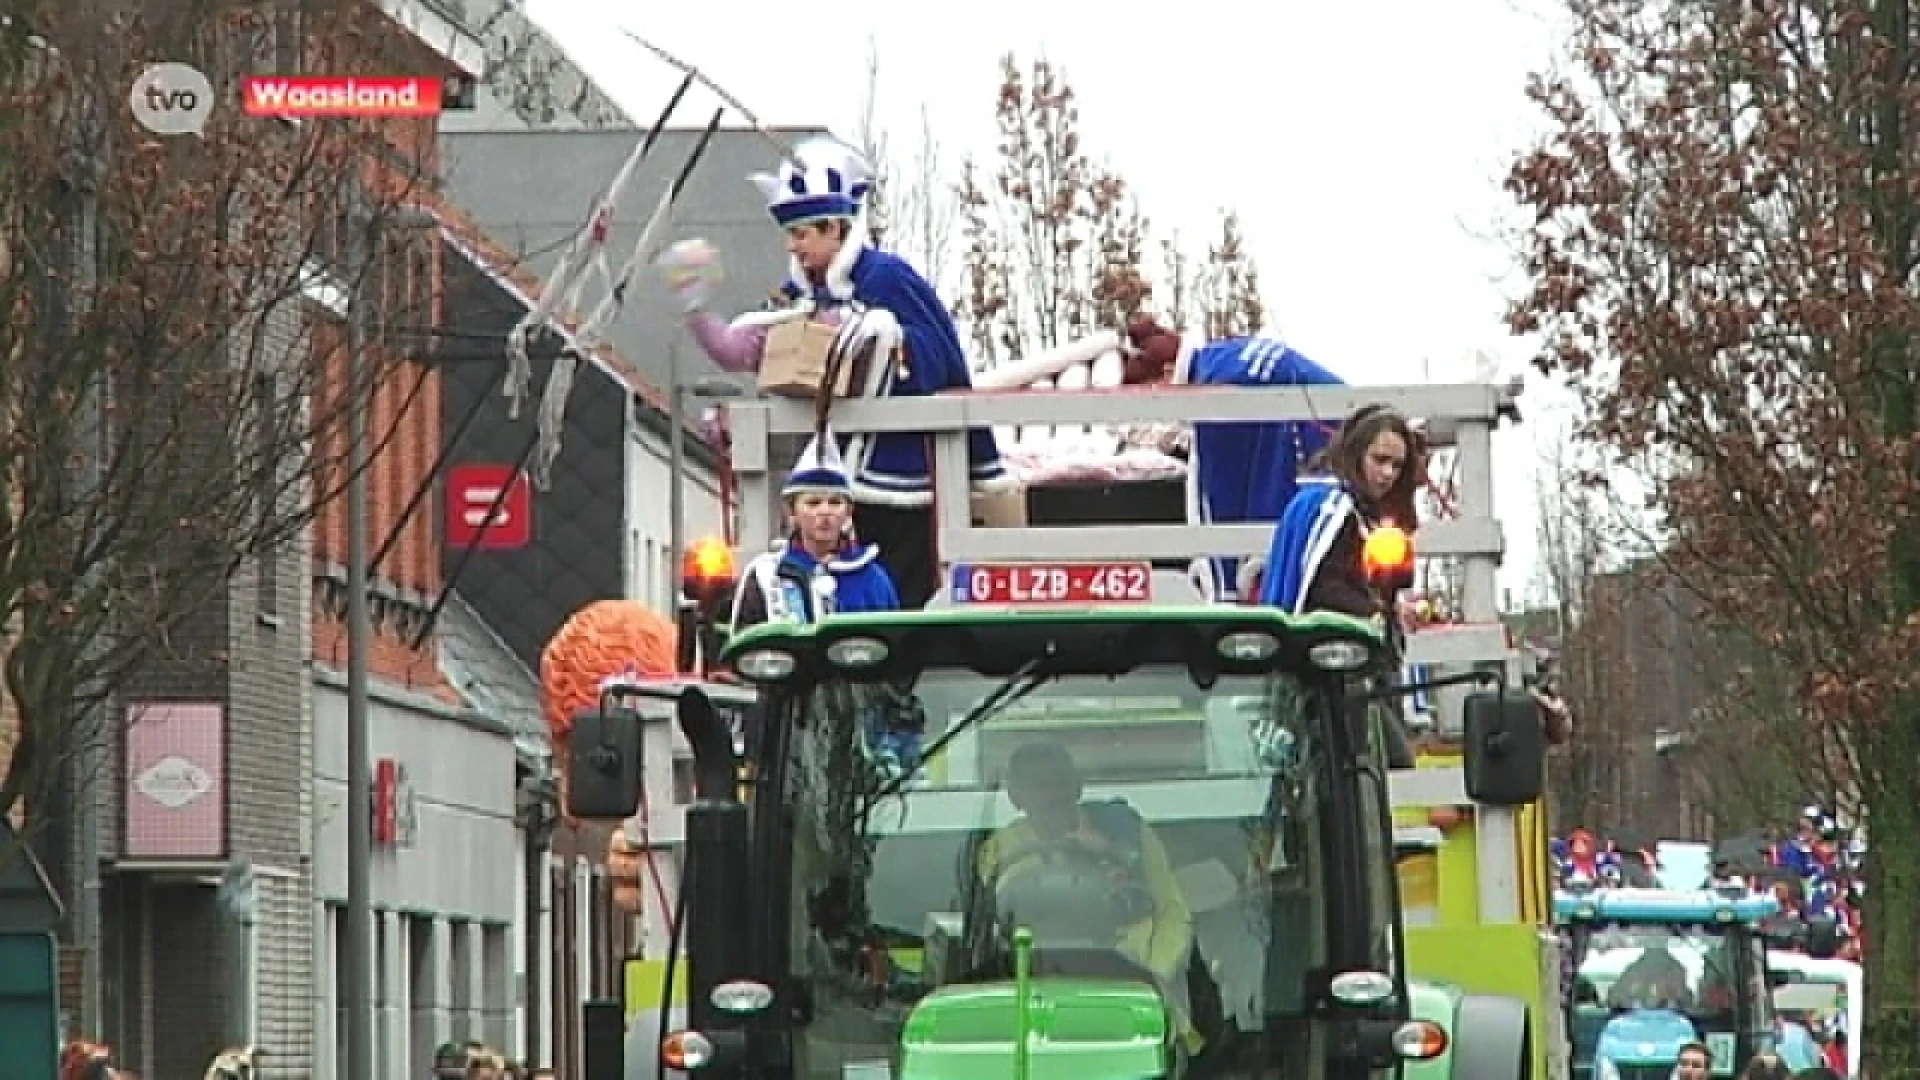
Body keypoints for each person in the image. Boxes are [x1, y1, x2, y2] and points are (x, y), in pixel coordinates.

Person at [661, 136, 1013, 608]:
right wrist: (696, 305)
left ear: (836, 229)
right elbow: (747, 348)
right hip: (832, 479)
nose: (793, 246)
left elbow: (935, 356)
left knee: (897, 597)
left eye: (802, 233)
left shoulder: (886, 279)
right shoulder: (799, 295)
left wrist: (870, 337)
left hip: (896, 481)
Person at [975, 741, 1198, 1051]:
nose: (1053, 796)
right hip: (1034, 994)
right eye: (1040, 786)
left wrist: (1155, 975)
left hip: (1133, 990)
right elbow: (1006, 918)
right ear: (1016, 797)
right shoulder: (999, 849)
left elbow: (1173, 911)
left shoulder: (1128, 833)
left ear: (1078, 787)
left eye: (1060, 783)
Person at [1122, 316, 1347, 601]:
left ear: (1168, 374)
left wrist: (1223, 586)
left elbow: (1217, 492)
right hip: (1341, 432)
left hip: (1317, 460)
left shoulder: (1213, 393)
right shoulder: (1226, 354)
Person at [728, 429, 901, 632]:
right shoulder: (766, 575)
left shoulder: (874, 578)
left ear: (848, 512)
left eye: (835, 503)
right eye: (813, 503)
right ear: (792, 511)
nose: (825, 512)